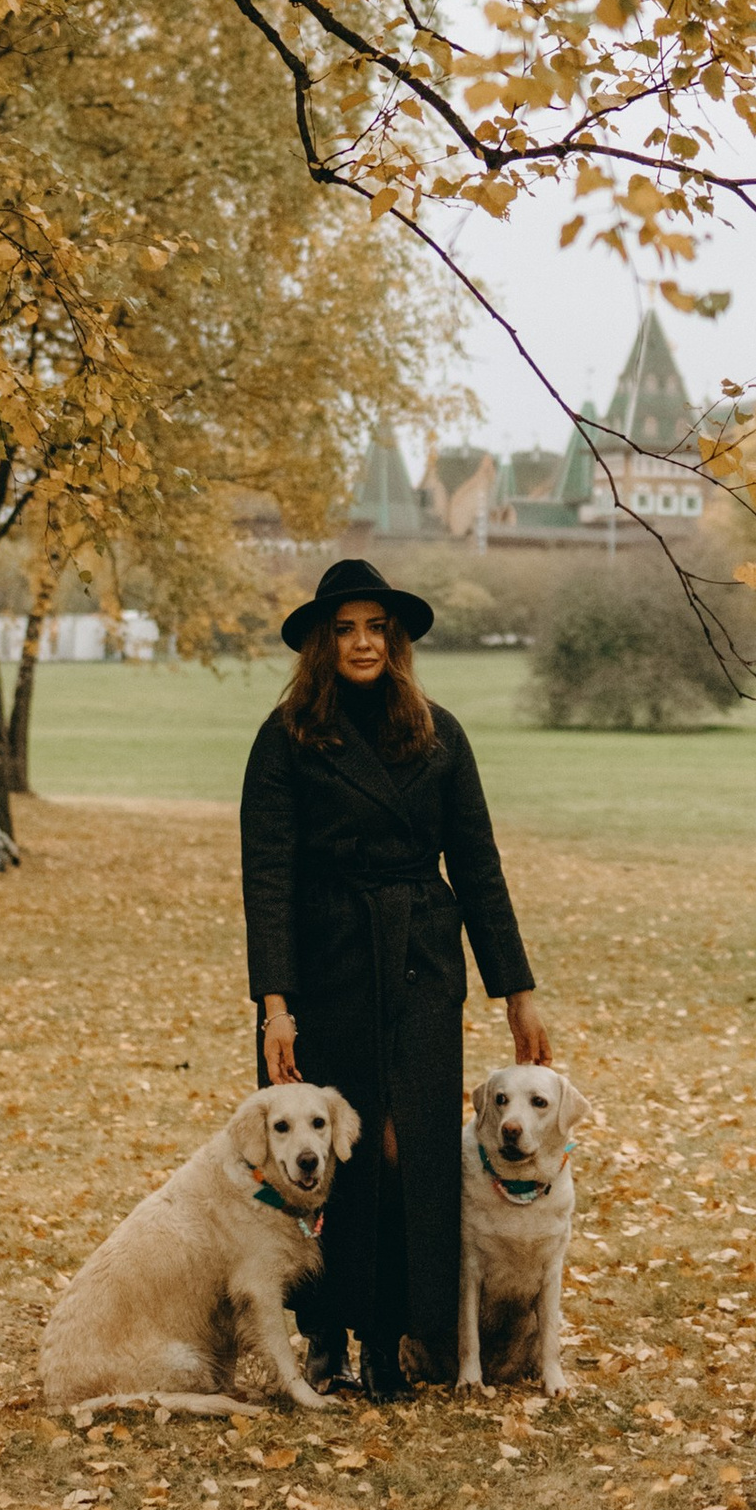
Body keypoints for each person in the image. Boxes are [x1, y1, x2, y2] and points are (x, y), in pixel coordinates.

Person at [238, 555, 550, 1400]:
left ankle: (393, 1336)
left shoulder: (438, 732)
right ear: (322, 644)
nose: (363, 642)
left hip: (419, 960)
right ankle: (326, 1337)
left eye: (377, 628)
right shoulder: (287, 738)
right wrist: (276, 1005)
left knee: (403, 1152)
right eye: (346, 629)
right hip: (326, 960)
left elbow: (478, 866)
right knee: (327, 1157)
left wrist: (514, 988)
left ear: (398, 639)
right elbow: (266, 875)